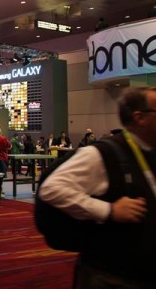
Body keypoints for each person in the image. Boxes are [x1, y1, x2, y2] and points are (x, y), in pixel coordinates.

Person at [39, 87, 156, 287]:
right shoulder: (103, 153)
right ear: (140, 117)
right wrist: (108, 210)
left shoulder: (149, 151)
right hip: (111, 275)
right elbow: (52, 189)